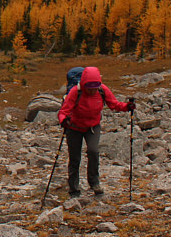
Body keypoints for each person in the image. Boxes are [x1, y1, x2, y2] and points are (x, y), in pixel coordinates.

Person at [56, 66, 134, 198]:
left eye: (94, 88)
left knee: (93, 151)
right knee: (75, 158)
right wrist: (63, 120)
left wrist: (127, 107)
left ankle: (94, 183)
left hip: (92, 127)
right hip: (74, 128)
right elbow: (63, 111)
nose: (92, 91)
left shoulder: (102, 90)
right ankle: (74, 188)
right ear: (84, 84)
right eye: (89, 88)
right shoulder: (76, 91)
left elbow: (114, 104)